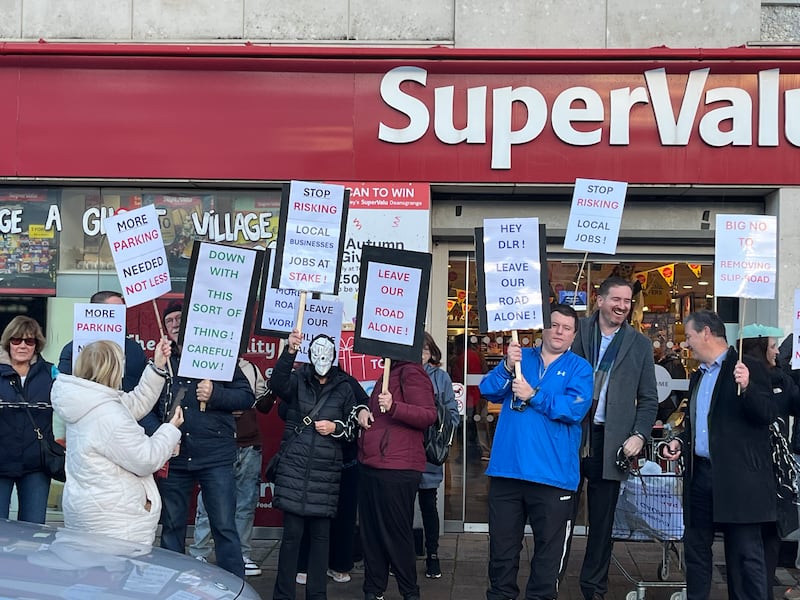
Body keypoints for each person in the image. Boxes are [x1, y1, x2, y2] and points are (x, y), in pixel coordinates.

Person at [479, 304, 593, 600]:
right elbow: (488, 390)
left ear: (573, 335)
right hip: (507, 471)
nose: (559, 332)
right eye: (554, 325)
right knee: (501, 554)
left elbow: (575, 409)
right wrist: (506, 366)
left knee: (548, 558)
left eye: (566, 328)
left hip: (553, 477)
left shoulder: (580, 368)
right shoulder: (520, 358)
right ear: (543, 328)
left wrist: (534, 395)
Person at [660, 310, 776, 600]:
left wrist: (748, 386)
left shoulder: (747, 365)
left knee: (744, 555)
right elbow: (700, 420)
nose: (687, 344)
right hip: (701, 475)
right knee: (696, 550)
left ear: (706, 333)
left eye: (688, 336)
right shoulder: (698, 376)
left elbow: (768, 414)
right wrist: (681, 443)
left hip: (738, 480)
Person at [568, 276, 658, 600]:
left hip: (613, 441)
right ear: (599, 300)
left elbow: (649, 399)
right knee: (558, 517)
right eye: (616, 299)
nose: (622, 306)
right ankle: (548, 581)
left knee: (602, 525)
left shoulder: (640, 344)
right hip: (572, 434)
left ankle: (593, 589)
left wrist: (639, 435)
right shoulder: (576, 331)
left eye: (627, 301)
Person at [155, 300, 255, 579]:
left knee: (224, 525)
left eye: (179, 319)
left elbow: (246, 396)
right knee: (172, 526)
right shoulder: (161, 362)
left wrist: (216, 395)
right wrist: (163, 435)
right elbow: (146, 409)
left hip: (215, 457)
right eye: (170, 321)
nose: (175, 325)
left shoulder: (218, 356)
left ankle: (235, 586)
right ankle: (168, 587)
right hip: (175, 459)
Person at [50, 338, 184, 545]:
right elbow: (146, 459)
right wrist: (170, 430)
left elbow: (134, 403)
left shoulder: (85, 400)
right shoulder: (108, 414)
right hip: (116, 519)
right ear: (113, 369)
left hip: (87, 509)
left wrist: (156, 368)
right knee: (117, 576)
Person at [269, 330, 363, 600]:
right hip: (296, 469)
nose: (322, 358)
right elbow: (277, 384)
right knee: (291, 538)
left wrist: (335, 427)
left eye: (327, 354)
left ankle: (317, 595)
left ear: (334, 357)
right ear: (309, 355)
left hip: (325, 473)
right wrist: (288, 352)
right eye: (317, 353)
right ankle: (283, 595)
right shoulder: (298, 380)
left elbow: (351, 430)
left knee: (321, 539)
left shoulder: (344, 387)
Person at [356, 354, 437, 600]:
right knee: (371, 535)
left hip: (397, 467)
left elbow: (427, 415)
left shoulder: (410, 371)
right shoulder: (389, 372)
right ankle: (373, 590)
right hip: (372, 463)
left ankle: (409, 592)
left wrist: (394, 406)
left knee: (395, 534)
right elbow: (379, 416)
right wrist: (362, 411)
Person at [190, 356, 267, 577]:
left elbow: (261, 402)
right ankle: (199, 551)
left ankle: (242, 553)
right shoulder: (204, 362)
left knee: (245, 501)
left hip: (248, 442)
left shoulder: (250, 368)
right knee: (208, 503)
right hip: (219, 444)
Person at [740, 324, 800, 600]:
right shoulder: (738, 378)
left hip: (776, 475)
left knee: (770, 539)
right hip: (747, 470)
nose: (777, 351)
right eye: (773, 346)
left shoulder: (782, 380)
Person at [296, 368, 369, 585]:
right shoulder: (301, 378)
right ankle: (305, 564)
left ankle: (340, 564)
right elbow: (284, 408)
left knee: (344, 515)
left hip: (345, 459)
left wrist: (360, 413)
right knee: (308, 513)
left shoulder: (346, 380)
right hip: (312, 459)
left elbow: (363, 403)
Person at [58, 290, 156, 435]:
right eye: (114, 311)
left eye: (122, 310)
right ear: (95, 312)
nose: (120, 315)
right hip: (88, 431)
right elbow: (66, 396)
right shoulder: (72, 351)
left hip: (128, 431)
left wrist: (155, 431)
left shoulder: (134, 349)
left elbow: (140, 395)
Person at [0, 316, 57, 524]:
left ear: (37, 345)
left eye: (29, 341)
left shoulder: (52, 373)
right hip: (1, 461)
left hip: (36, 465)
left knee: (33, 529)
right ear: (8, 342)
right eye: (16, 340)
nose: (22, 345)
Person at [418, 332, 460, 579]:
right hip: (404, 451)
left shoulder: (441, 378)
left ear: (433, 352)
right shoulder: (398, 373)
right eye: (417, 349)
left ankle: (432, 555)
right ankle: (397, 556)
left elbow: (453, 414)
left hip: (428, 453)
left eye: (425, 349)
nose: (421, 354)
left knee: (428, 506)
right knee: (399, 508)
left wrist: (439, 426)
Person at [452, 334, 489, 460]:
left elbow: (465, 379)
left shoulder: (464, 357)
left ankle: (469, 454)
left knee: (468, 427)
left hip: (470, 397)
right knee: (474, 427)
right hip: (475, 395)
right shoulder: (476, 355)